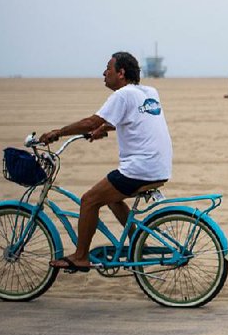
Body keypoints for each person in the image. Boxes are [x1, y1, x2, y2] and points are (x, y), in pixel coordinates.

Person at [39, 51, 173, 272]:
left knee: (89, 200)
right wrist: (106, 128)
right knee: (111, 197)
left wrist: (59, 132)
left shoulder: (122, 95)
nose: (104, 72)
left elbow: (92, 121)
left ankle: (81, 256)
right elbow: (136, 118)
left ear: (121, 73)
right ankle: (138, 241)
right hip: (159, 167)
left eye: (108, 68)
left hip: (140, 169)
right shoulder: (149, 92)